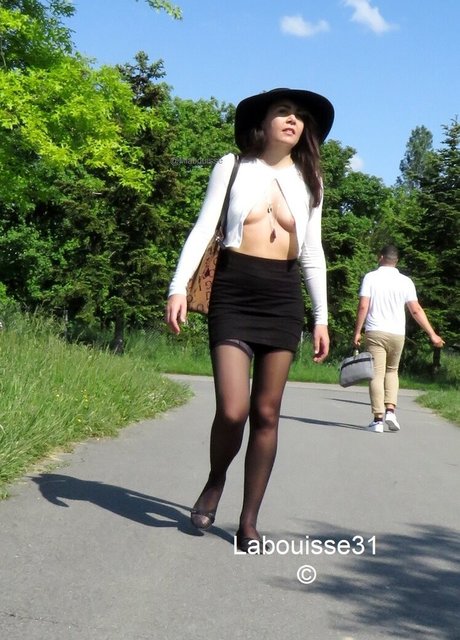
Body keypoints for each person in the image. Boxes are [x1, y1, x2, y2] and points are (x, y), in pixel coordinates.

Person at [165, 87, 334, 552]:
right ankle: (216, 478)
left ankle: (249, 520)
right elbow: (204, 227)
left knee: (266, 413)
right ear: (263, 121)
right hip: (234, 292)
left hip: (283, 297)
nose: (293, 120)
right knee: (233, 409)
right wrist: (178, 286)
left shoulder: (311, 178)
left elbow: (313, 252)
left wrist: (321, 317)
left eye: (300, 116)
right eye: (283, 111)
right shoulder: (233, 165)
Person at [353, 245, 444, 433]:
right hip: (397, 333)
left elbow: (363, 306)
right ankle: (391, 411)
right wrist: (432, 334)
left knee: (376, 375)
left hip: (375, 331)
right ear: (397, 261)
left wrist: (357, 332)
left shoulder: (370, 277)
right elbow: (416, 310)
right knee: (392, 371)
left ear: (380, 257)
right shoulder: (406, 281)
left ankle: (378, 420)